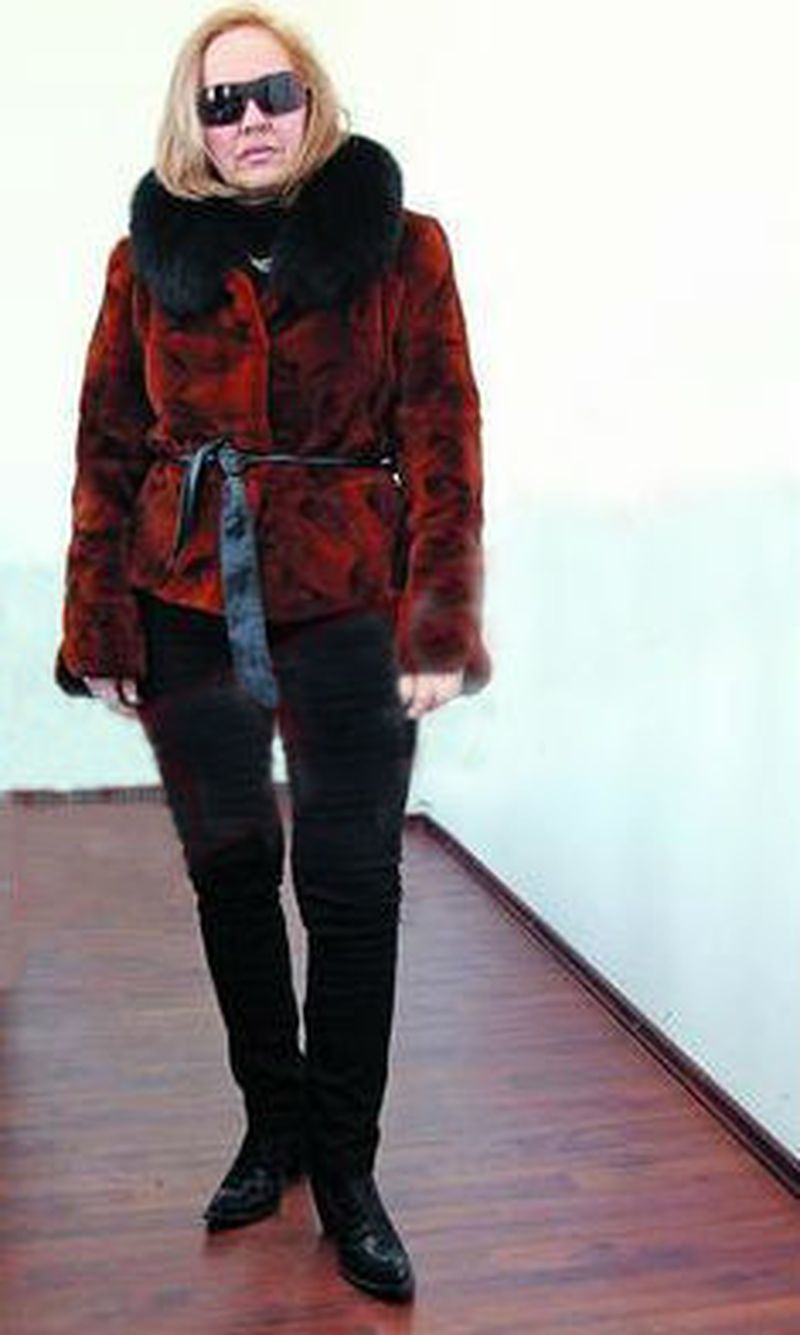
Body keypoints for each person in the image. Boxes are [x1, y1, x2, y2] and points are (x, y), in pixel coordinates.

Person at [53, 1, 491, 1305]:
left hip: (351, 601)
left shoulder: (403, 249)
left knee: (351, 889)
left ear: (314, 100)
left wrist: (439, 620)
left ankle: (348, 1173)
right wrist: (100, 621)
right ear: (191, 123)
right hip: (183, 594)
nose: (250, 121)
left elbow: (446, 439)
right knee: (231, 873)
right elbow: (107, 446)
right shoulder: (145, 262)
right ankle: (273, 1125)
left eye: (273, 94)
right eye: (221, 101)